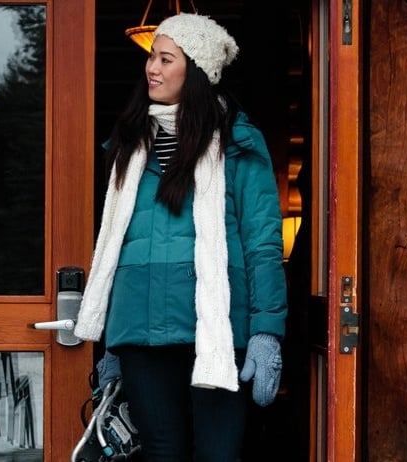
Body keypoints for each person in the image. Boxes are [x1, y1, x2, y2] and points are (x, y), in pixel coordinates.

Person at [73, 13, 287, 462]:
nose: (151, 67)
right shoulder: (128, 145)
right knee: (160, 453)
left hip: (217, 331)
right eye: (152, 56)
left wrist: (267, 330)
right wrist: (113, 341)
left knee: (218, 455)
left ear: (195, 71)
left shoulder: (239, 143)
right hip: (142, 333)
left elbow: (263, 243)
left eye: (165, 59)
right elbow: (117, 245)